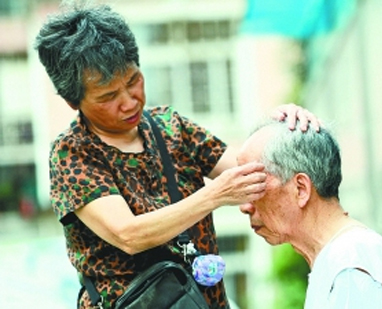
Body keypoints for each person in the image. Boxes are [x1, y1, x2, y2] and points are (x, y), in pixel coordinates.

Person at [33, 3, 319, 309]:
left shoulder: (170, 127)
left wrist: (282, 128)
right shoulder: (73, 154)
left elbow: (254, 172)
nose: (129, 102)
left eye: (133, 81)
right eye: (108, 96)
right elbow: (129, 234)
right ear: (72, 101)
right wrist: (214, 196)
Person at [238, 119, 382, 308]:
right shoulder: (342, 258)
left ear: (301, 189)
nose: (244, 206)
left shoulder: (349, 264)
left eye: (252, 186)